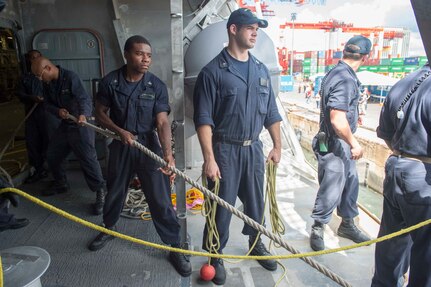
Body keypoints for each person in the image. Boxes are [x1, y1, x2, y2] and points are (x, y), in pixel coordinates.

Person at [88, 35, 191, 277]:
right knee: (115, 190)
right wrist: (119, 131)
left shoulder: (155, 86)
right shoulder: (110, 82)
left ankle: (174, 245)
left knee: (161, 198)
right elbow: (100, 112)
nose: (146, 59)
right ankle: (109, 227)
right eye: (140, 54)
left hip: (148, 146)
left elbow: (162, 121)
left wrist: (168, 155)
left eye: (149, 55)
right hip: (121, 145)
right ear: (126, 54)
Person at [193, 8, 282, 285]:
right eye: (250, 28)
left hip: (253, 149)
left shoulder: (260, 70)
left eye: (257, 28)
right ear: (233, 29)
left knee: (257, 203)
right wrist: (209, 158)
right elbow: (203, 120)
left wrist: (277, 146)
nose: (255, 32)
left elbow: (271, 114)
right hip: (225, 150)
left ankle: (256, 244)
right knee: (221, 206)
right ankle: (215, 255)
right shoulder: (212, 73)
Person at [309, 35, 371, 251]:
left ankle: (347, 223)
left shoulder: (336, 72)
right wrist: (354, 143)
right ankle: (318, 226)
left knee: (350, 181)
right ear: (365, 57)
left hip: (337, 141)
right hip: (337, 142)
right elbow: (337, 119)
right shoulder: (345, 78)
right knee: (332, 184)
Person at [371, 63, 431, 287]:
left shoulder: (403, 83)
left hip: (397, 165)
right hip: (424, 176)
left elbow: (386, 132)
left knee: (391, 245)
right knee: (426, 258)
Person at [31, 57, 106, 215]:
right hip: (66, 125)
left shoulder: (71, 77)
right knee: (52, 154)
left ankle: (100, 193)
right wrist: (57, 111)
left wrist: (84, 115)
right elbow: (47, 105)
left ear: (48, 69)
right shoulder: (47, 84)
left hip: (81, 125)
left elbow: (84, 98)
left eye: (39, 75)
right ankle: (61, 183)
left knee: (88, 159)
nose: (39, 79)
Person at [16, 50, 52, 184]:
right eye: (32, 58)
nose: (34, 59)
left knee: (49, 142)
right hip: (31, 115)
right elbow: (19, 94)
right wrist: (31, 98)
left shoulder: (48, 75)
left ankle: (53, 171)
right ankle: (38, 170)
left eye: (37, 57)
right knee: (32, 143)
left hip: (47, 114)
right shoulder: (25, 78)